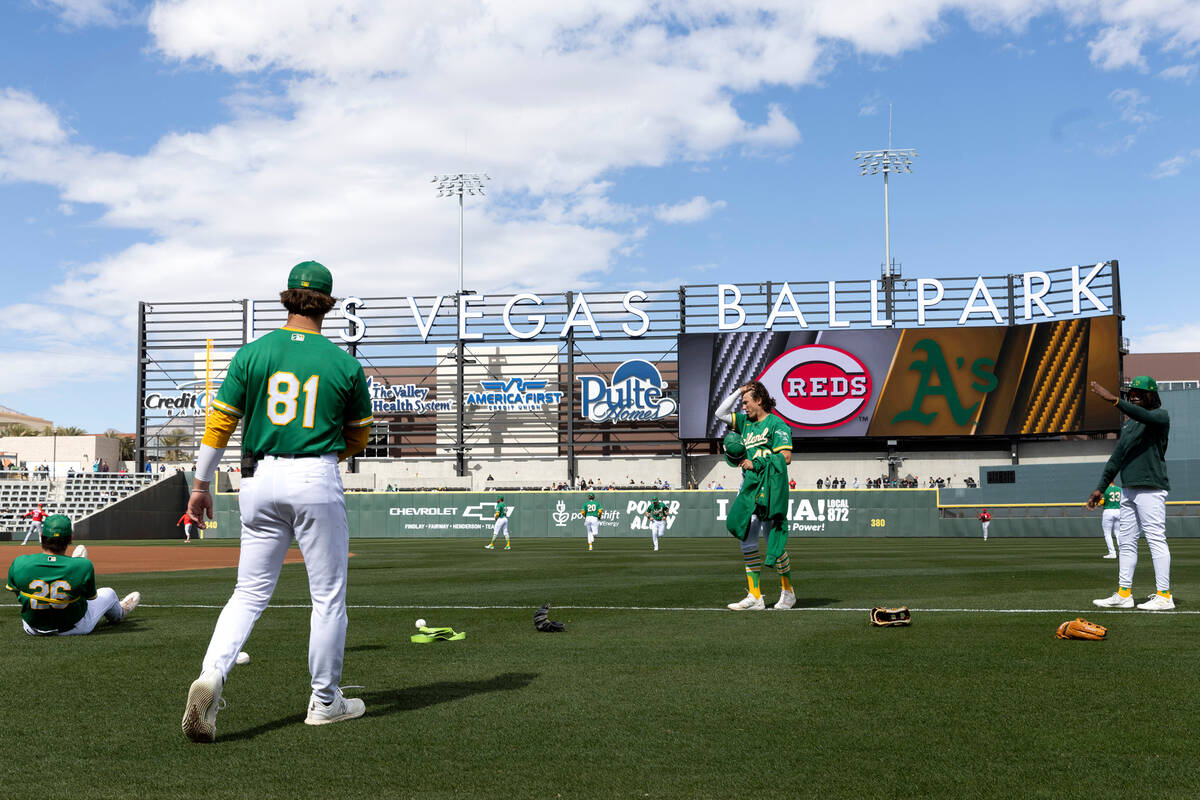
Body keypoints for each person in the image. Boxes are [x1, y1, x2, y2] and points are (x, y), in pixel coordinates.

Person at [180, 261, 373, 743]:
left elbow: (219, 426)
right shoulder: (345, 363)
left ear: (286, 297)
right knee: (327, 598)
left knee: (248, 593)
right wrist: (323, 453)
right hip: (315, 475)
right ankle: (325, 702)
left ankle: (211, 675)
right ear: (328, 304)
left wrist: (200, 486)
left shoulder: (252, 353)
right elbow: (359, 437)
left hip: (259, 477)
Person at [1088, 376, 1173, 611]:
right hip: (1128, 489)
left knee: (1155, 539)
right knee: (1126, 542)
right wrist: (1101, 487)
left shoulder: (1159, 416)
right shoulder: (1128, 424)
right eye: (1130, 392)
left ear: (1150, 395)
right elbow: (1117, 458)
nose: (1133, 395)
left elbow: (1144, 416)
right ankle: (1124, 594)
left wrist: (1114, 400)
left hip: (1151, 488)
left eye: (1138, 392)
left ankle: (1164, 596)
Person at [715, 381, 794, 611]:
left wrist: (757, 462)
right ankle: (755, 596)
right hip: (749, 487)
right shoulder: (745, 424)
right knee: (747, 539)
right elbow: (720, 413)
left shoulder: (777, 424)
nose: (743, 407)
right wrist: (739, 391)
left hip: (769, 487)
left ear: (759, 400)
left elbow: (786, 457)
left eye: (746, 402)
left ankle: (788, 592)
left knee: (773, 542)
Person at [6, 514, 140, 635]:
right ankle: (120, 612)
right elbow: (89, 598)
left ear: (41, 536)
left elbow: (19, 595)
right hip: (74, 627)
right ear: (70, 538)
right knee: (109, 593)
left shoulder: (19, 562)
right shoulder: (84, 566)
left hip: (32, 628)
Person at [1098, 483, 1121, 559]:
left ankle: (1112, 553)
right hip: (1119, 511)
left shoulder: (1105, 489)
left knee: (1107, 534)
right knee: (1118, 533)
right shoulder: (1119, 489)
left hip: (1108, 511)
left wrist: (1097, 501)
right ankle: (1123, 553)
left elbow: (1101, 502)